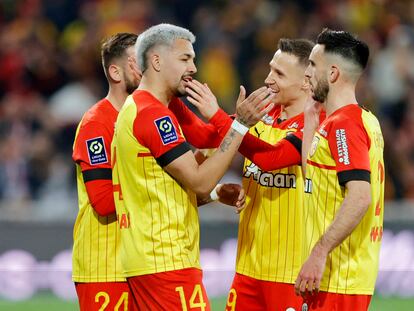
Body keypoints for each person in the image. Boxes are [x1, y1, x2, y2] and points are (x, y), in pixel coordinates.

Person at [111, 23, 273, 311]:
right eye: (185, 59)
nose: (194, 68)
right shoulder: (153, 115)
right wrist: (240, 125)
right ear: (157, 61)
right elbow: (199, 181)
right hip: (166, 262)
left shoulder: (143, 107)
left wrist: (215, 193)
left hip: (146, 260)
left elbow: (165, 188)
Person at [185, 38, 318, 310]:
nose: (268, 78)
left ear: (306, 81)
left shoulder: (316, 122)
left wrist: (225, 118)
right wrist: (167, 92)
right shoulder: (262, 113)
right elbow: (205, 136)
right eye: (271, 68)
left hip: (291, 274)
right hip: (247, 270)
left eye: (279, 74)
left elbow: (273, 158)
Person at [294, 29, 385, 310]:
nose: (306, 73)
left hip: (339, 278)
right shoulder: (363, 120)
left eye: (311, 64)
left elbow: (359, 196)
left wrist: (320, 252)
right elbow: (316, 176)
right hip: (340, 279)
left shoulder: (344, 125)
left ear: (333, 74)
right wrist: (310, 116)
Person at [72, 33, 140, 311]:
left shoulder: (147, 117)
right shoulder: (96, 123)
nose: (147, 68)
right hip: (105, 265)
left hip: (141, 263)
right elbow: (101, 201)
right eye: (138, 62)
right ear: (115, 71)